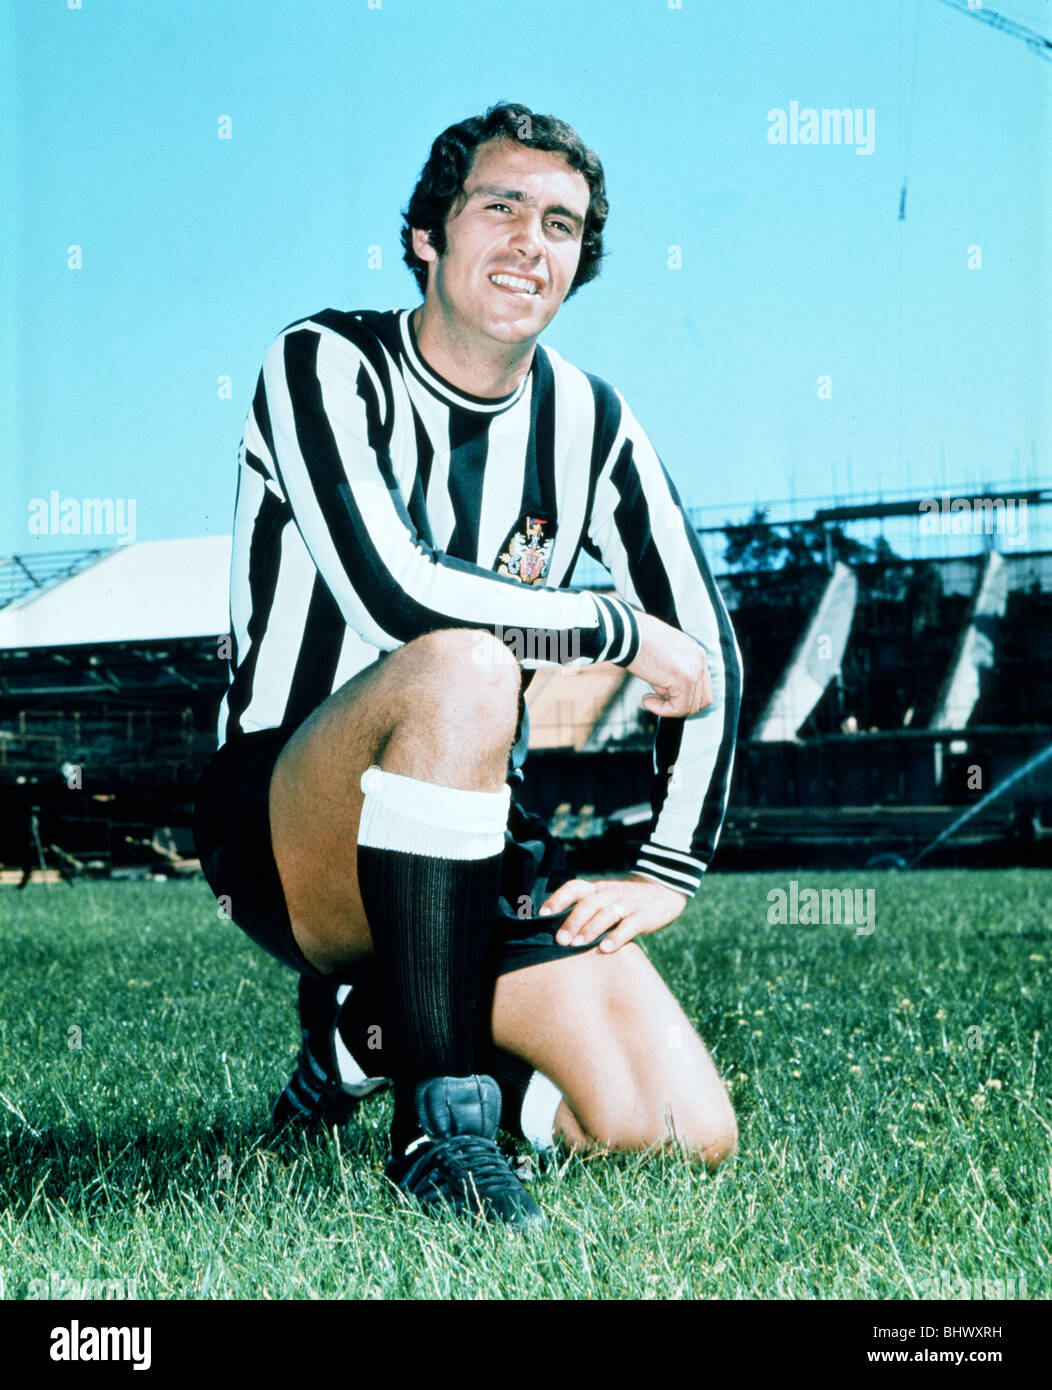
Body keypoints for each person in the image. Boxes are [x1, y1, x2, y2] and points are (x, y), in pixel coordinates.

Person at [194, 101, 743, 1229]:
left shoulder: (592, 421)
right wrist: (612, 631)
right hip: (285, 818)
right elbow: (393, 589)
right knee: (465, 668)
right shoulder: (321, 362)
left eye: (559, 222)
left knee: (678, 1130)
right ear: (424, 236)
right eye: (497, 206)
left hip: (471, 833)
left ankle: (364, 1036)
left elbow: (706, 642)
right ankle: (438, 1134)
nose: (527, 241)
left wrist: (666, 864)